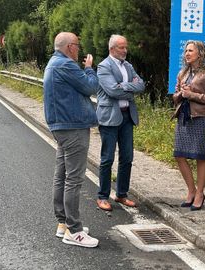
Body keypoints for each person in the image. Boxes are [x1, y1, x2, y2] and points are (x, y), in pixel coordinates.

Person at [43, 32, 99, 248]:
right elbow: (90, 87)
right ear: (69, 47)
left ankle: (63, 223)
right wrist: (89, 68)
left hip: (62, 126)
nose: (79, 49)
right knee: (73, 179)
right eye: (77, 45)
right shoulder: (66, 65)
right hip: (73, 126)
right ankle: (74, 231)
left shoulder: (53, 63)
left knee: (62, 175)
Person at [95, 34, 145, 211]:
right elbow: (112, 91)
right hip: (110, 117)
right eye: (121, 48)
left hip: (127, 116)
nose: (125, 51)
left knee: (127, 157)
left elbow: (142, 85)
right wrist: (129, 88)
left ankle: (121, 194)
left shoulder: (128, 66)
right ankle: (102, 196)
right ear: (111, 49)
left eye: (125, 47)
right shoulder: (103, 66)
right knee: (107, 158)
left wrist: (123, 86)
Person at [172, 40, 205, 211]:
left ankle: (200, 193)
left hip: (201, 118)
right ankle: (191, 190)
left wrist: (191, 94)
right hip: (184, 117)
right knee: (179, 155)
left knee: (200, 157)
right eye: (185, 50)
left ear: (200, 53)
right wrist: (180, 93)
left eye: (190, 50)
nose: (186, 53)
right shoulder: (182, 73)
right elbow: (175, 97)